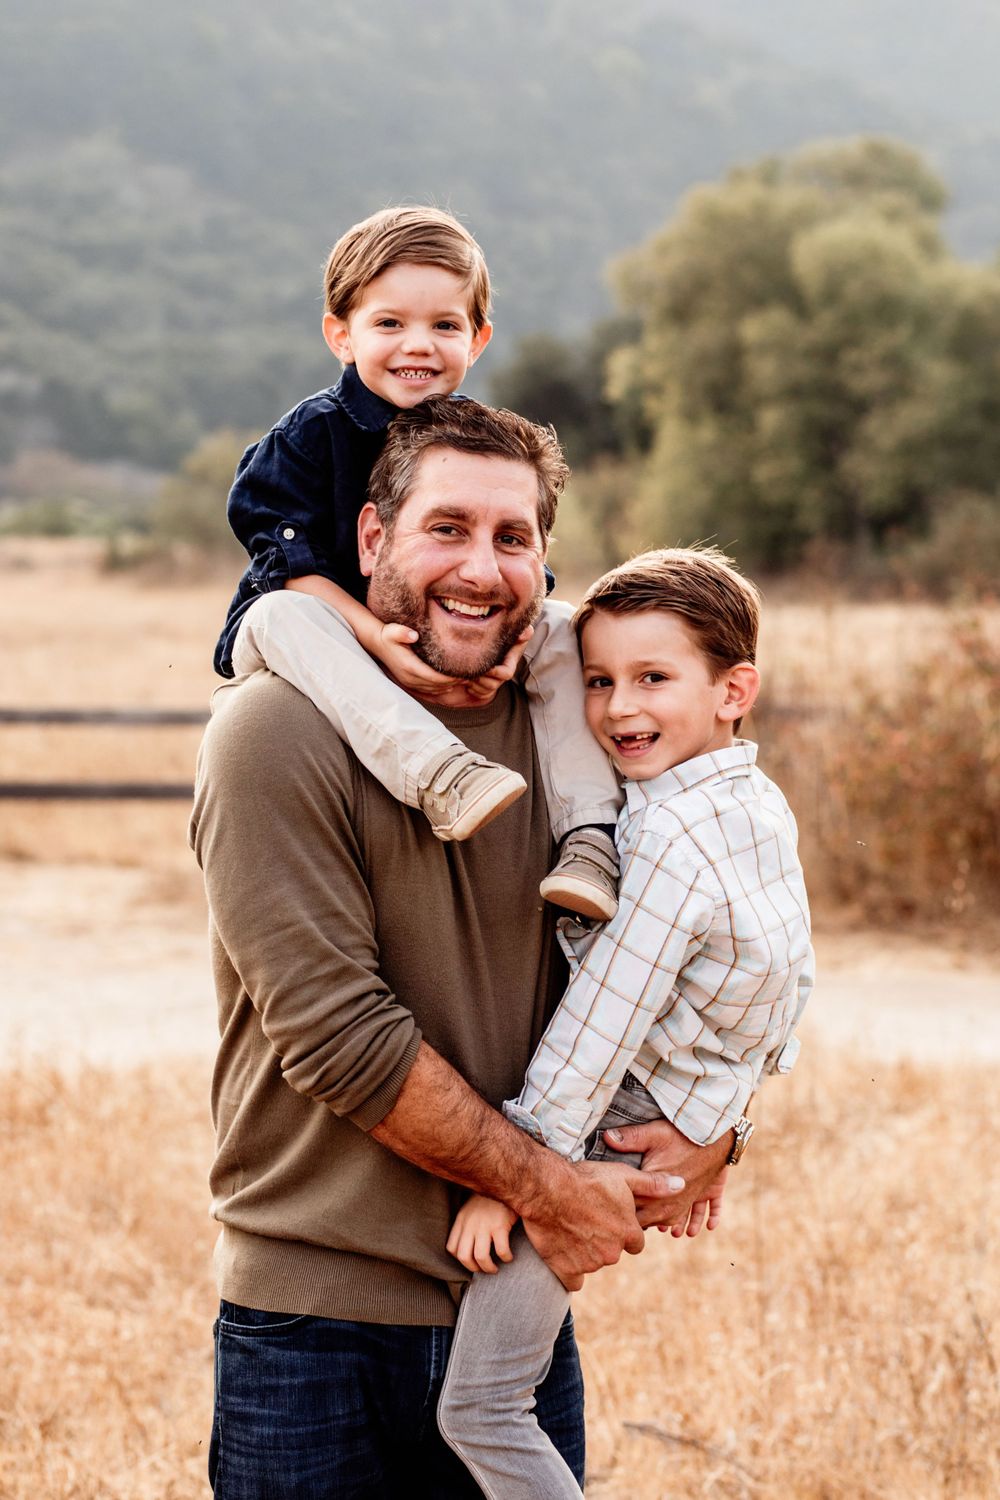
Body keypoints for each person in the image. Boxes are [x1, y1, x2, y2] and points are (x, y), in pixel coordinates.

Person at [190, 400, 736, 1497]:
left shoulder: (587, 734)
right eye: (447, 528)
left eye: (512, 537)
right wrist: (552, 1189)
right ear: (371, 538)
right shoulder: (275, 731)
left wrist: (720, 1129)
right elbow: (342, 1041)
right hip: (316, 1329)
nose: (481, 569)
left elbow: (708, 942)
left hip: (511, 1323)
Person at [436, 546, 814, 1500]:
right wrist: (715, 1113)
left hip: (594, 1122)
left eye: (653, 678)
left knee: (481, 1407)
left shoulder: (668, 839)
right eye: (599, 680)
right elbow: (787, 985)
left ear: (734, 691)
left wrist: (509, 1182)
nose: (615, 708)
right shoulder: (755, 805)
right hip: (665, 1110)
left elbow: (601, 1024)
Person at [212, 204, 621, 920]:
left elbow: (515, 564)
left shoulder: (477, 440)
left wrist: (510, 645)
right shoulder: (310, 435)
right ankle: (440, 775)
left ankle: (591, 836)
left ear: (479, 339)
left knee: (559, 626)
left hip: (424, 623)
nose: (419, 346)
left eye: (445, 326)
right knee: (281, 612)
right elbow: (284, 559)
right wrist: (376, 638)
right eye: (389, 323)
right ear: (341, 335)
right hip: (314, 626)